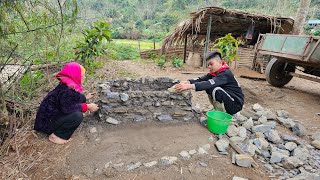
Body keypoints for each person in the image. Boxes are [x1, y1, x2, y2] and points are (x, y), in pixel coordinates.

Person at [34, 62, 99, 144]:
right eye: (83, 76)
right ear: (76, 76)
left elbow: (70, 99)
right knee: (77, 116)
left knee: (78, 104)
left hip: (47, 119)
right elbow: (68, 108)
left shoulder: (66, 85)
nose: (84, 78)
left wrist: (85, 98)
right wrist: (87, 106)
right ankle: (56, 136)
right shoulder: (67, 90)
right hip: (47, 124)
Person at [175, 51, 244, 115]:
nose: (209, 67)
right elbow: (201, 79)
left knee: (215, 89)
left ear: (220, 62)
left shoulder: (225, 73)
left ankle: (221, 114)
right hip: (229, 100)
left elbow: (209, 83)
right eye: (208, 65)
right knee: (209, 88)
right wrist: (187, 82)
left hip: (235, 104)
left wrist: (188, 86)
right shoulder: (215, 73)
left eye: (211, 64)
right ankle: (218, 109)